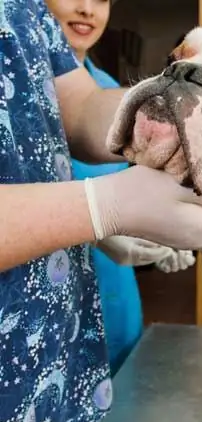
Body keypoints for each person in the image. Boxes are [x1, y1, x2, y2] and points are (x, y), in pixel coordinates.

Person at [0, 1, 202, 422]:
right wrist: (102, 208)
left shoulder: (28, 9)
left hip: (54, 366)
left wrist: (192, 92)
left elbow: (81, 111)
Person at [45, 0, 142, 377]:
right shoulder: (15, 93)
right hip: (49, 307)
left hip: (115, 294)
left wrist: (148, 234)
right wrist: (90, 227)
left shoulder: (109, 92)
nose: (87, 9)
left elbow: (124, 187)